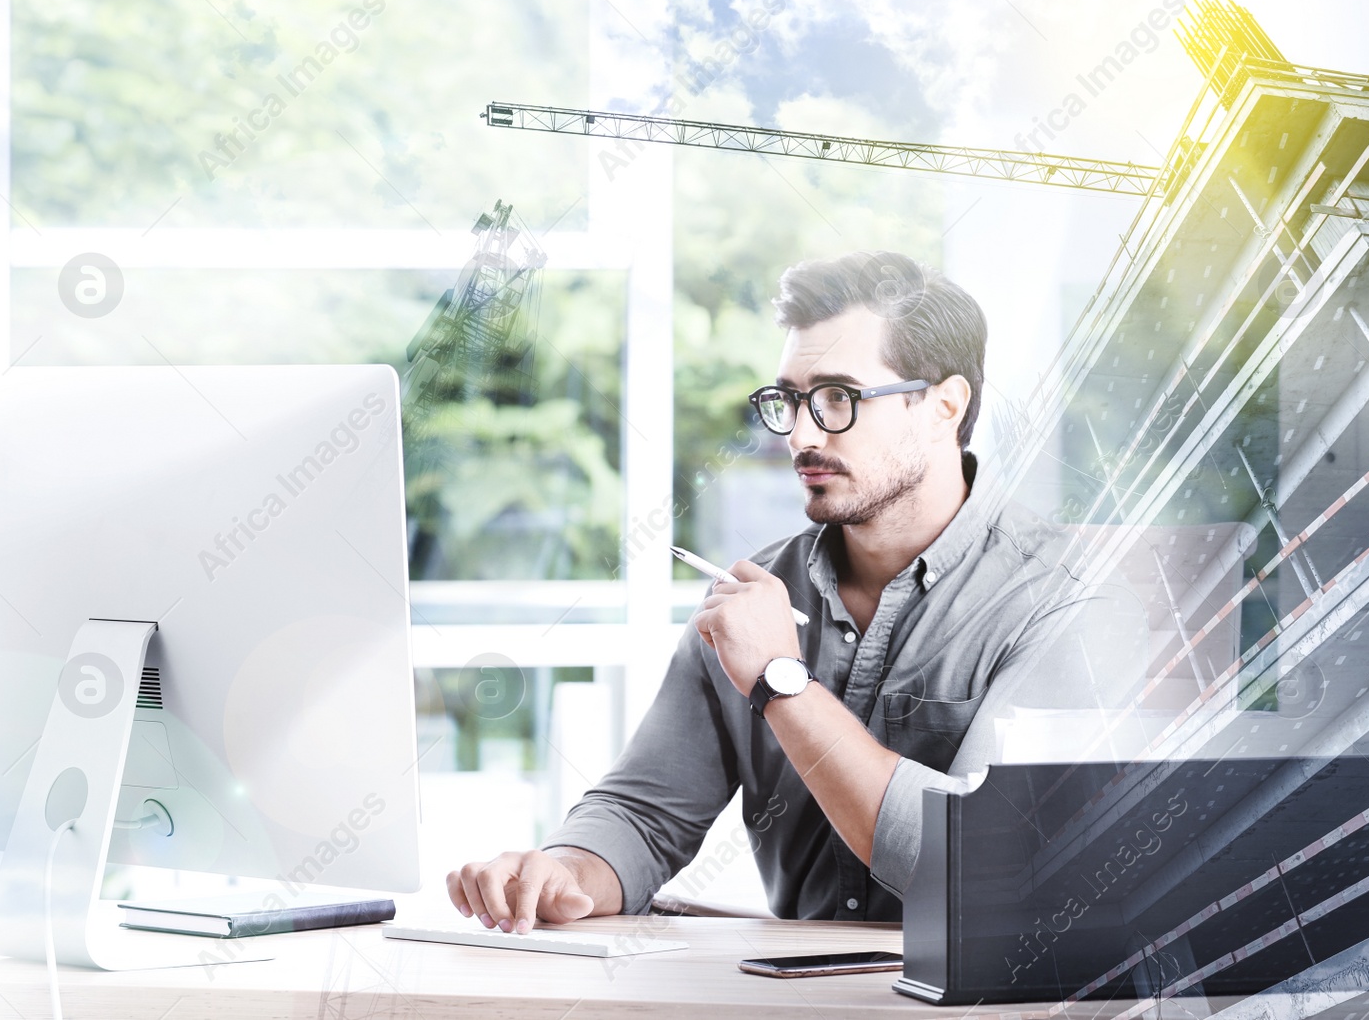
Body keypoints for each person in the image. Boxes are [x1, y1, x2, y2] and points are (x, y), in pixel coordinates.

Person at [445, 250, 1149, 934]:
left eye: (839, 397)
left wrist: (783, 683)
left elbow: (986, 869)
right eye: (790, 399)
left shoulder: (1070, 604)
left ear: (945, 404)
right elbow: (645, 812)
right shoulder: (753, 595)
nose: (802, 432)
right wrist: (564, 871)